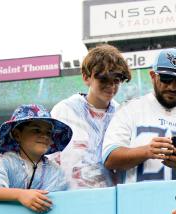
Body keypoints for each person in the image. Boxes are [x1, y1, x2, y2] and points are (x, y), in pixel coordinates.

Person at [102, 48, 176, 182]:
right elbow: (110, 158)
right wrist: (147, 151)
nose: (172, 87)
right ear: (153, 76)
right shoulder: (128, 110)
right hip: (139, 201)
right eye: (166, 78)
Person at [0, 105, 71, 214]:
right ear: (17, 134)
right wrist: (19, 195)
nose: (44, 136)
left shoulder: (57, 172)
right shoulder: (4, 162)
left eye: (49, 133)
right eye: (36, 130)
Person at [50, 44, 131, 189]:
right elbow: (51, 159)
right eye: (104, 79)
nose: (111, 86)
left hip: (112, 201)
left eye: (116, 80)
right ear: (86, 77)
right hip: (72, 199)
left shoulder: (122, 115)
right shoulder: (64, 111)